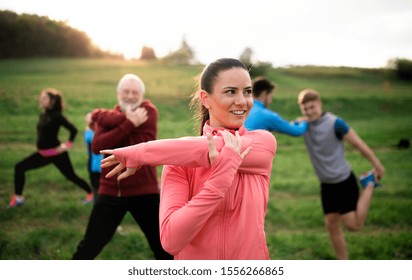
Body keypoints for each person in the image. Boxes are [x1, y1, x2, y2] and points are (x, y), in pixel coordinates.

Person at [99, 58, 277, 260]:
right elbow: (171, 241)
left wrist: (139, 153)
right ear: (205, 98)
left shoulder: (262, 142)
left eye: (247, 91)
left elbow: (207, 147)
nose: (242, 101)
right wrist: (218, 182)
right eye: (230, 91)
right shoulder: (178, 163)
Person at [72, 74, 172, 260]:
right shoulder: (110, 118)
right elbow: (97, 147)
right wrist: (130, 123)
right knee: (89, 246)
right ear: (118, 93)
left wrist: (98, 116)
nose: (130, 96)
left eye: (135, 92)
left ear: (142, 96)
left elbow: (140, 145)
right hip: (111, 191)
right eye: (126, 91)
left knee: (163, 247)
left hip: (144, 192)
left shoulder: (149, 112)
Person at [297, 88, 385, 260]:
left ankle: (368, 184)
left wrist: (377, 164)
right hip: (326, 185)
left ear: (320, 104)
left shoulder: (335, 123)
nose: (309, 112)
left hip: (343, 181)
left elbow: (359, 144)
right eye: (305, 109)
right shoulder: (303, 125)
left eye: (312, 107)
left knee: (354, 225)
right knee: (331, 224)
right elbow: (283, 127)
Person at [7, 88, 94, 208]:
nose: (40, 100)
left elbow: (73, 130)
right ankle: (18, 199)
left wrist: (66, 146)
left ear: (52, 101)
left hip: (56, 154)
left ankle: (92, 194)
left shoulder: (57, 116)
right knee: (20, 167)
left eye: (44, 98)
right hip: (43, 154)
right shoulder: (43, 115)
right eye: (40, 98)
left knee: (71, 176)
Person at [84, 112, 102, 194]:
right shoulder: (88, 132)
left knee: (100, 185)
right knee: (95, 184)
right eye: (87, 118)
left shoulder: (98, 131)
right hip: (92, 163)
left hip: (100, 163)